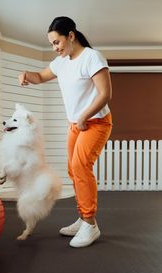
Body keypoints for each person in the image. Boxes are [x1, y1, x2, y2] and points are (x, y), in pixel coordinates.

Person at [18, 16, 112, 248]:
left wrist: (83, 117)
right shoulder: (61, 62)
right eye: (51, 44)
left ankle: (90, 225)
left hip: (96, 123)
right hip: (76, 125)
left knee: (81, 167)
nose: (55, 48)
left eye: (57, 42)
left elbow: (105, 94)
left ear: (71, 36)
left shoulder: (92, 57)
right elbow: (40, 76)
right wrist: (26, 75)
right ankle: (83, 219)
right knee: (73, 170)